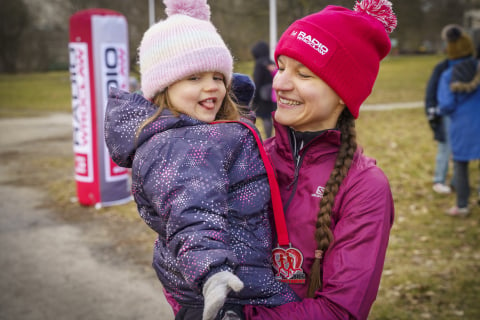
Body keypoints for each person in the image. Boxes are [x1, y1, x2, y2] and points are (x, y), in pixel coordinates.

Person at [104, 1, 298, 320]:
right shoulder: (177, 145)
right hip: (226, 290)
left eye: (218, 77)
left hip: (243, 275)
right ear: (164, 87)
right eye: (194, 77)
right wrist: (214, 273)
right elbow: (191, 212)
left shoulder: (198, 130)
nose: (211, 86)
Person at [243, 0, 396, 319]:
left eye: (304, 74)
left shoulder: (365, 187)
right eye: (281, 67)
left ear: (343, 93)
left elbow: (340, 310)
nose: (280, 83)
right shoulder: (249, 157)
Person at [437, 25, 480, 217]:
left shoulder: (448, 75)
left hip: (462, 126)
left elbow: (446, 105)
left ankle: (462, 206)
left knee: (461, 166)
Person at [424, 32, 453, 194]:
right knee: (445, 147)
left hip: (460, 115)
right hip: (444, 113)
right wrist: (432, 111)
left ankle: (456, 181)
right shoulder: (442, 68)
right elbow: (431, 92)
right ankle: (439, 180)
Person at [251, 40, 276, 138]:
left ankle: (265, 138)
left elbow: (257, 81)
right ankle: (270, 137)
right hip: (272, 95)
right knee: (270, 117)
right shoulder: (271, 62)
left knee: (264, 117)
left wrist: (254, 97)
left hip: (262, 97)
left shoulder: (259, 64)